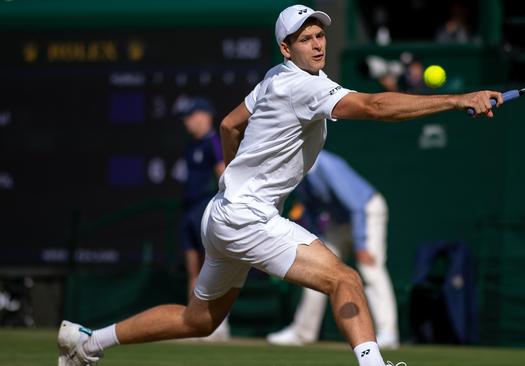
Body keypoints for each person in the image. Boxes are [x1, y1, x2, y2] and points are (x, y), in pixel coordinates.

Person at [57, 4, 501, 366]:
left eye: (320, 34)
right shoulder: (297, 87)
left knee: (199, 321)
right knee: (344, 279)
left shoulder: (275, 78)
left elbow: (229, 124)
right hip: (246, 217)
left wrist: (233, 176)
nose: (318, 42)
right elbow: (377, 105)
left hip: (224, 213)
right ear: (287, 49)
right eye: (305, 38)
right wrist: (458, 98)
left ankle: (88, 343)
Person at [267, 150, 400, 349]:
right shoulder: (300, 175)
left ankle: (388, 334)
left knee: (371, 271)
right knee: (317, 270)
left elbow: (356, 206)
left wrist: (361, 245)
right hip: (338, 223)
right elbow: (311, 211)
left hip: (366, 212)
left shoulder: (326, 165)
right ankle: (303, 333)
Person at [175, 96, 229, 341]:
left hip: (207, 211)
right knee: (193, 271)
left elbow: (223, 174)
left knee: (212, 268)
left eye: (190, 117)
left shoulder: (214, 143)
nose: (187, 123)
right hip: (188, 211)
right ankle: (192, 325)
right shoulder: (189, 146)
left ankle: (217, 325)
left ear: (204, 116)